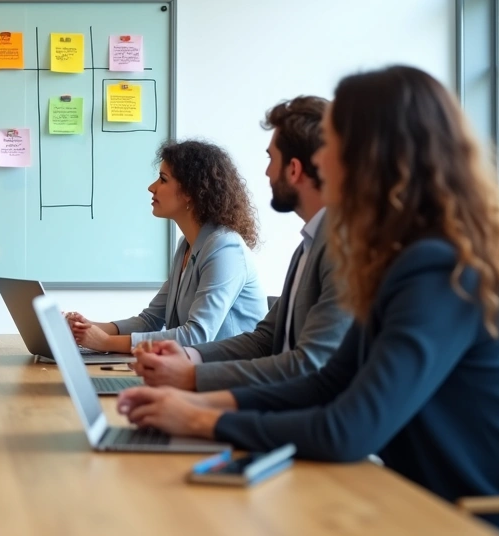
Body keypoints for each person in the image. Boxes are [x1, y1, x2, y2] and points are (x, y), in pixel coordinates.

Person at [118, 66, 499, 534]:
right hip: (418, 498)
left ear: (371, 157)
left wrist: (199, 420)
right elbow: (327, 383)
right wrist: (198, 403)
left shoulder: (437, 269)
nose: (318, 159)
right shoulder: (398, 258)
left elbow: (349, 429)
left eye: (330, 144)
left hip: (473, 515)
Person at [131, 97, 351, 391]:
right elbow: (264, 340)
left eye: (271, 159)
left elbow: (307, 365)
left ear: (294, 169)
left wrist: (194, 382)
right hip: (270, 400)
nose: (267, 172)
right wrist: (189, 356)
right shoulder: (307, 246)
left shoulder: (342, 250)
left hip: (288, 409)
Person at [64, 140, 268, 354]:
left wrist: (106, 342)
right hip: (196, 366)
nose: (151, 187)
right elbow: (150, 320)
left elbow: (196, 336)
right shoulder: (186, 246)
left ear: (190, 192)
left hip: (231, 370)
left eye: (163, 179)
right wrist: (85, 328)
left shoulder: (225, 248)